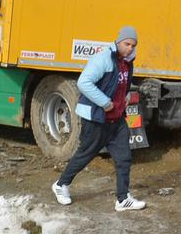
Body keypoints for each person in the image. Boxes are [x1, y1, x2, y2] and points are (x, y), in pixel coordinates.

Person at [52, 26, 147, 211]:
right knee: (85, 154)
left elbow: (122, 83)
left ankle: (123, 199)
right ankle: (61, 185)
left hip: (117, 120)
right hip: (97, 118)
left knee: (124, 158)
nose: (130, 48)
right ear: (119, 41)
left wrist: (126, 96)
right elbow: (84, 82)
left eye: (133, 45)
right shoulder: (103, 58)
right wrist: (104, 102)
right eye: (127, 44)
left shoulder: (127, 62)